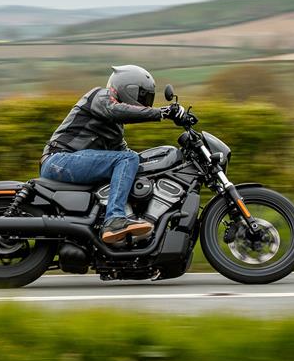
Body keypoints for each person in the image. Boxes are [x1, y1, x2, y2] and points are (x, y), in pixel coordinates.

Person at [40, 65, 185, 244]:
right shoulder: (99, 96)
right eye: (142, 96)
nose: (145, 102)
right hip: (59, 159)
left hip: (70, 162)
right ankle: (114, 219)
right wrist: (162, 112)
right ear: (127, 88)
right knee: (127, 160)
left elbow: (127, 155)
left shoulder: (115, 128)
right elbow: (115, 110)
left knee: (132, 162)